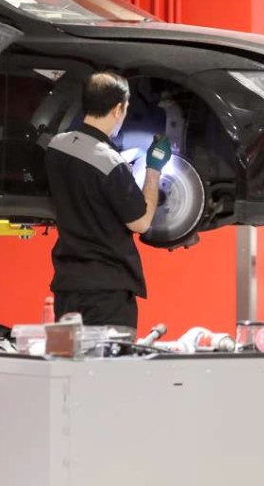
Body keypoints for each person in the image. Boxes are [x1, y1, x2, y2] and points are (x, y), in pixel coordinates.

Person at [44, 71, 171, 331]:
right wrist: (154, 169)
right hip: (107, 295)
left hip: (68, 290)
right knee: (111, 370)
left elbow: (88, 180)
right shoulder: (111, 165)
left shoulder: (57, 146)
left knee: (69, 367)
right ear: (118, 109)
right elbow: (141, 222)